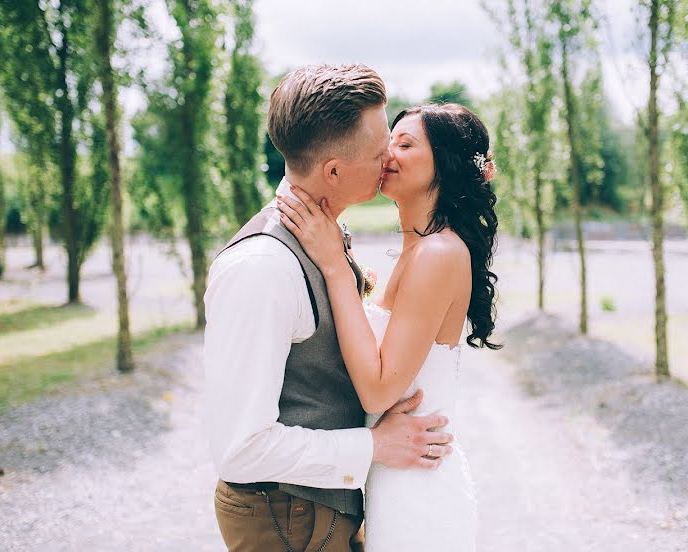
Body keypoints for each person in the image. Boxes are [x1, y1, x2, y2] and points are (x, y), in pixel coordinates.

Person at [203, 65, 454, 552]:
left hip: (314, 515)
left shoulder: (320, 238)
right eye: (380, 147)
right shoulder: (262, 267)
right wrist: (375, 447)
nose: (390, 156)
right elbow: (239, 449)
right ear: (334, 171)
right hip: (283, 520)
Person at [277, 102, 500, 551]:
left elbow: (379, 392)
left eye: (406, 143)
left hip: (419, 494)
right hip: (392, 478)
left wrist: (336, 268)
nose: (387, 153)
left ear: (446, 165)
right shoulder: (414, 252)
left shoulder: (438, 254)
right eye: (388, 141)